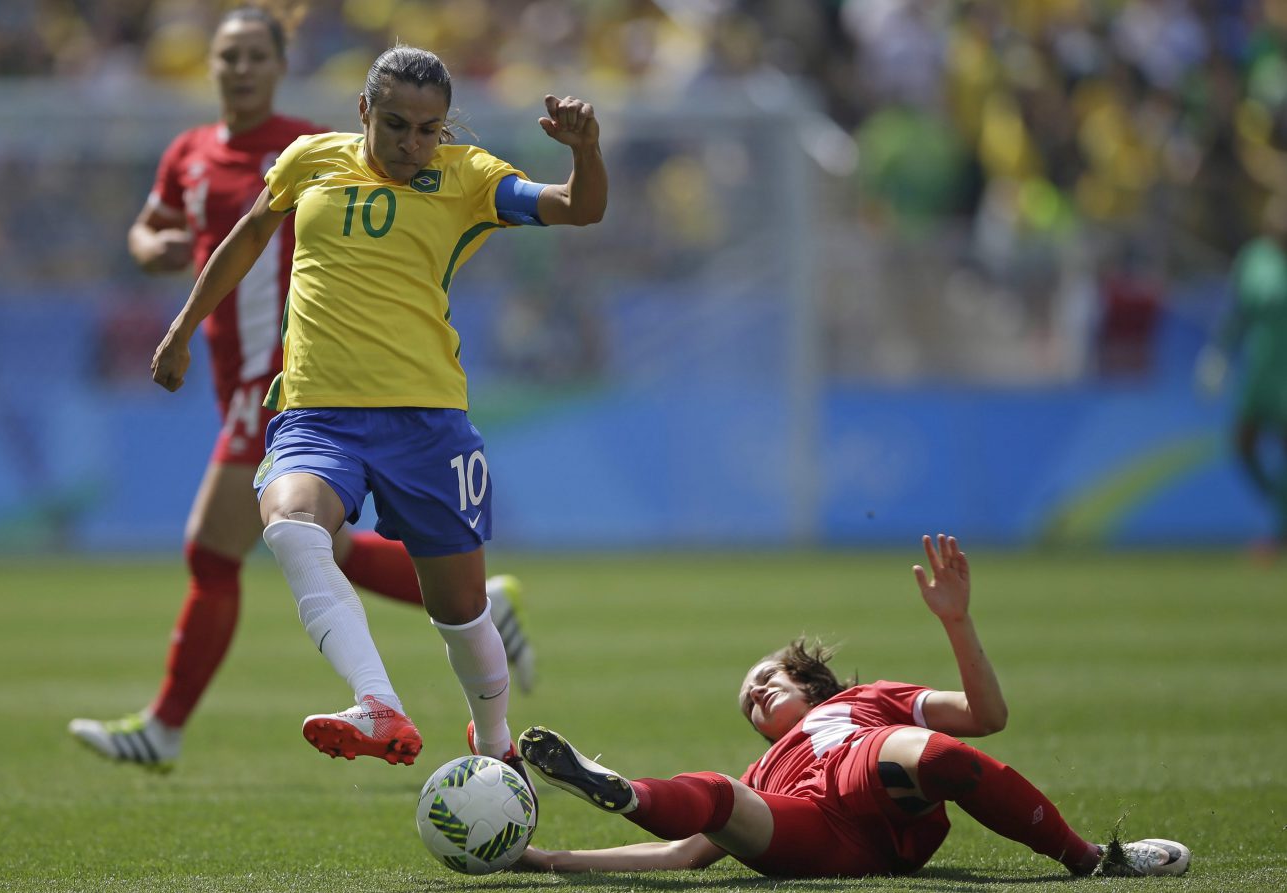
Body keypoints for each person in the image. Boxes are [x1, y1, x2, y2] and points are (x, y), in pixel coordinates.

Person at [68, 6, 535, 774]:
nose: (240, 68)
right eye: (227, 55)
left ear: (281, 65)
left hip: (298, 381)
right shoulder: (189, 151)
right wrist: (160, 259)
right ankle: (477, 615)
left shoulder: (317, 146)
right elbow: (153, 230)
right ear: (210, 65)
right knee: (327, 542)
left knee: (227, 546)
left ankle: (167, 726)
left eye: (255, 54)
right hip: (236, 376)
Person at [146, 42, 605, 772]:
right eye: (395, 124)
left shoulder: (470, 178)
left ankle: (495, 747)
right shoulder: (309, 160)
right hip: (318, 415)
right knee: (293, 526)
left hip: (427, 424)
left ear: (446, 129)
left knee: (461, 614)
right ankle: (378, 703)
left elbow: (580, 208)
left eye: (428, 130)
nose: (411, 143)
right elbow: (248, 236)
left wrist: (586, 152)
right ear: (363, 110)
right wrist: (182, 328)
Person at [515, 534, 1191, 879]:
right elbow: (675, 858)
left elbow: (987, 718)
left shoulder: (864, 703)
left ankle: (1091, 858)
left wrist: (957, 622)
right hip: (815, 832)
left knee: (941, 753)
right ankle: (625, 789)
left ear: (809, 680)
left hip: (867, 772)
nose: (754, 693)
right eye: (747, 702)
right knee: (722, 794)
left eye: (763, 677)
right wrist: (543, 858)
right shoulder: (764, 768)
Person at [1196, 192, 1287, 552]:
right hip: (1261, 366)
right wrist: (1219, 355)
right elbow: (1237, 313)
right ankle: (1280, 507)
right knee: (1243, 443)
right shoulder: (1255, 259)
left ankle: (1280, 533)